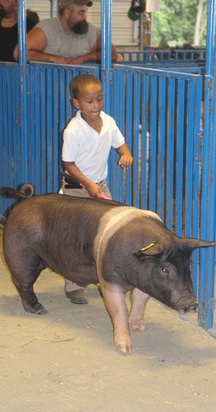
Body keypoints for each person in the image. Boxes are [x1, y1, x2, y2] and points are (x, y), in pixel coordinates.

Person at [61, 73, 133, 304]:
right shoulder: (73, 130)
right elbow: (68, 164)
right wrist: (87, 184)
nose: (96, 105)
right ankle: (74, 285)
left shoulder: (109, 122)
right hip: (75, 190)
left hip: (100, 187)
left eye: (100, 99)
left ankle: (108, 281)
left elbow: (121, 145)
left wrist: (126, 155)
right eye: (90, 101)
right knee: (77, 238)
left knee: (108, 235)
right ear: (77, 103)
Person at [13, 0, 118, 64]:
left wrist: (83, 58)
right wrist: (52, 58)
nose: (85, 17)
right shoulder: (47, 28)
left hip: (80, 93)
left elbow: (112, 54)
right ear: (67, 12)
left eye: (85, 12)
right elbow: (19, 53)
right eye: (81, 12)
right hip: (48, 91)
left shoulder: (90, 30)